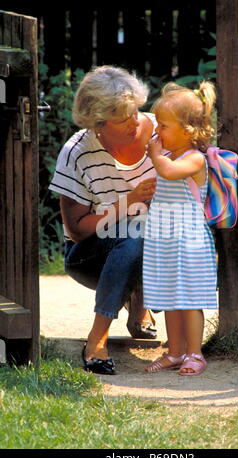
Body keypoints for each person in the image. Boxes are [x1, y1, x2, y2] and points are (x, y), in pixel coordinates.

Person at [49, 65, 158, 375]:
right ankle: (97, 338)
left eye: (136, 111)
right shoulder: (77, 152)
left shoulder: (160, 131)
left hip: (155, 244)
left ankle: (140, 303)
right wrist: (129, 202)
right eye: (123, 118)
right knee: (132, 234)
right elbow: (77, 229)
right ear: (97, 123)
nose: (135, 121)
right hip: (91, 256)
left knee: (157, 233)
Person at [143, 81, 218, 376]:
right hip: (164, 241)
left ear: (187, 130)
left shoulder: (193, 159)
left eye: (162, 126)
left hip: (189, 242)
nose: (157, 131)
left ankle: (195, 354)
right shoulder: (171, 156)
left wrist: (155, 156)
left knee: (189, 299)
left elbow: (168, 172)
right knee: (169, 299)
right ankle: (174, 352)